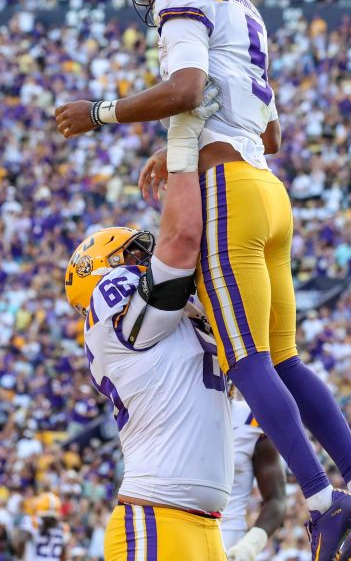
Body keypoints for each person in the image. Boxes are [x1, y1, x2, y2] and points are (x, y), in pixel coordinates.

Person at [55, 0, 351, 560]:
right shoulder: (243, 6)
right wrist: (193, 134)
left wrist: (101, 112)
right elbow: (269, 134)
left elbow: (186, 87)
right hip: (265, 186)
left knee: (249, 359)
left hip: (226, 192)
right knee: (282, 357)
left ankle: (326, 501)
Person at [63, 107, 238, 559]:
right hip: (156, 517)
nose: (146, 258)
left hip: (202, 525)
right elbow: (180, 242)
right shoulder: (110, 303)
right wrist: (184, 148)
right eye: (135, 253)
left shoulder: (175, 316)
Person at [221, 396, 287, 561]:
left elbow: (276, 498)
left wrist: (251, 544)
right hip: (169, 533)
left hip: (227, 541)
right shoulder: (167, 409)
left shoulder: (250, 418)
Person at [14, 493, 69, 561]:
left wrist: (19, 556)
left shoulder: (32, 521)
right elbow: (63, 554)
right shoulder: (63, 527)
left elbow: (21, 540)